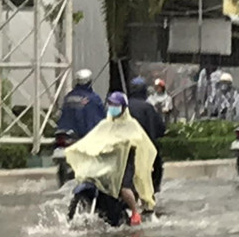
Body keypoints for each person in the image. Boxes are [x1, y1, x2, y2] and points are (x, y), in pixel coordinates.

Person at [63, 91, 156, 226]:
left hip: (124, 161)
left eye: (116, 105)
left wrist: (122, 143)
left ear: (123, 108)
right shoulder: (105, 124)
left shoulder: (131, 124)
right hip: (108, 159)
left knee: (123, 188)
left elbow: (139, 139)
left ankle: (135, 212)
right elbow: (93, 139)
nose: (113, 107)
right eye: (111, 104)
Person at [127, 77, 167, 193]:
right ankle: (154, 187)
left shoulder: (124, 106)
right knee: (157, 162)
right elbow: (159, 127)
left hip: (125, 145)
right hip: (144, 146)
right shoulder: (147, 107)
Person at [57, 69, 105, 138]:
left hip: (64, 133)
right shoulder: (93, 98)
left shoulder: (68, 97)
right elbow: (98, 118)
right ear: (90, 81)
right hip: (84, 137)